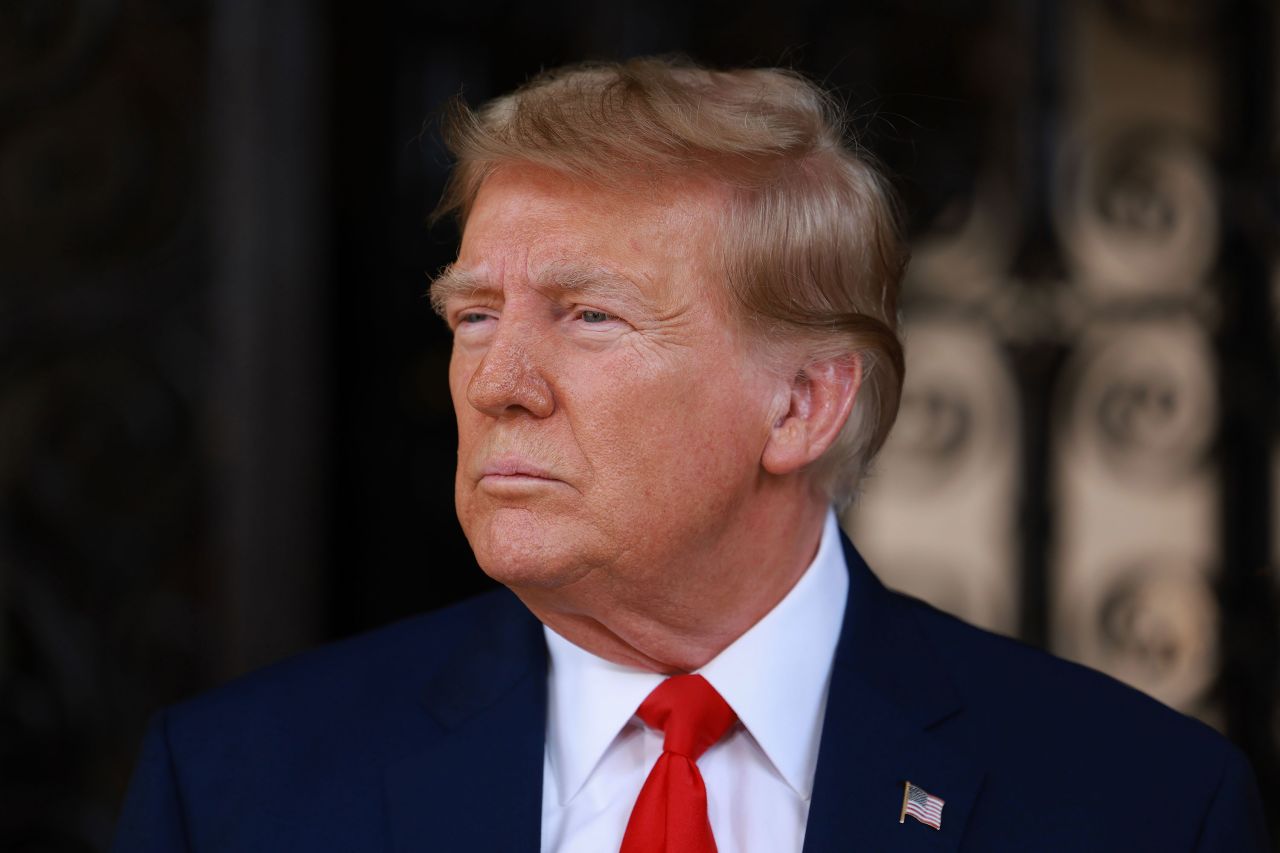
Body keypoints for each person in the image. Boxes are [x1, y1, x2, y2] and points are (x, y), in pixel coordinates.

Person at [113, 57, 1269, 852]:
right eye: (473, 315)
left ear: (802, 406)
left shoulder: (1137, 805)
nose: (495, 382)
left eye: (588, 316)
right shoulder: (235, 790)